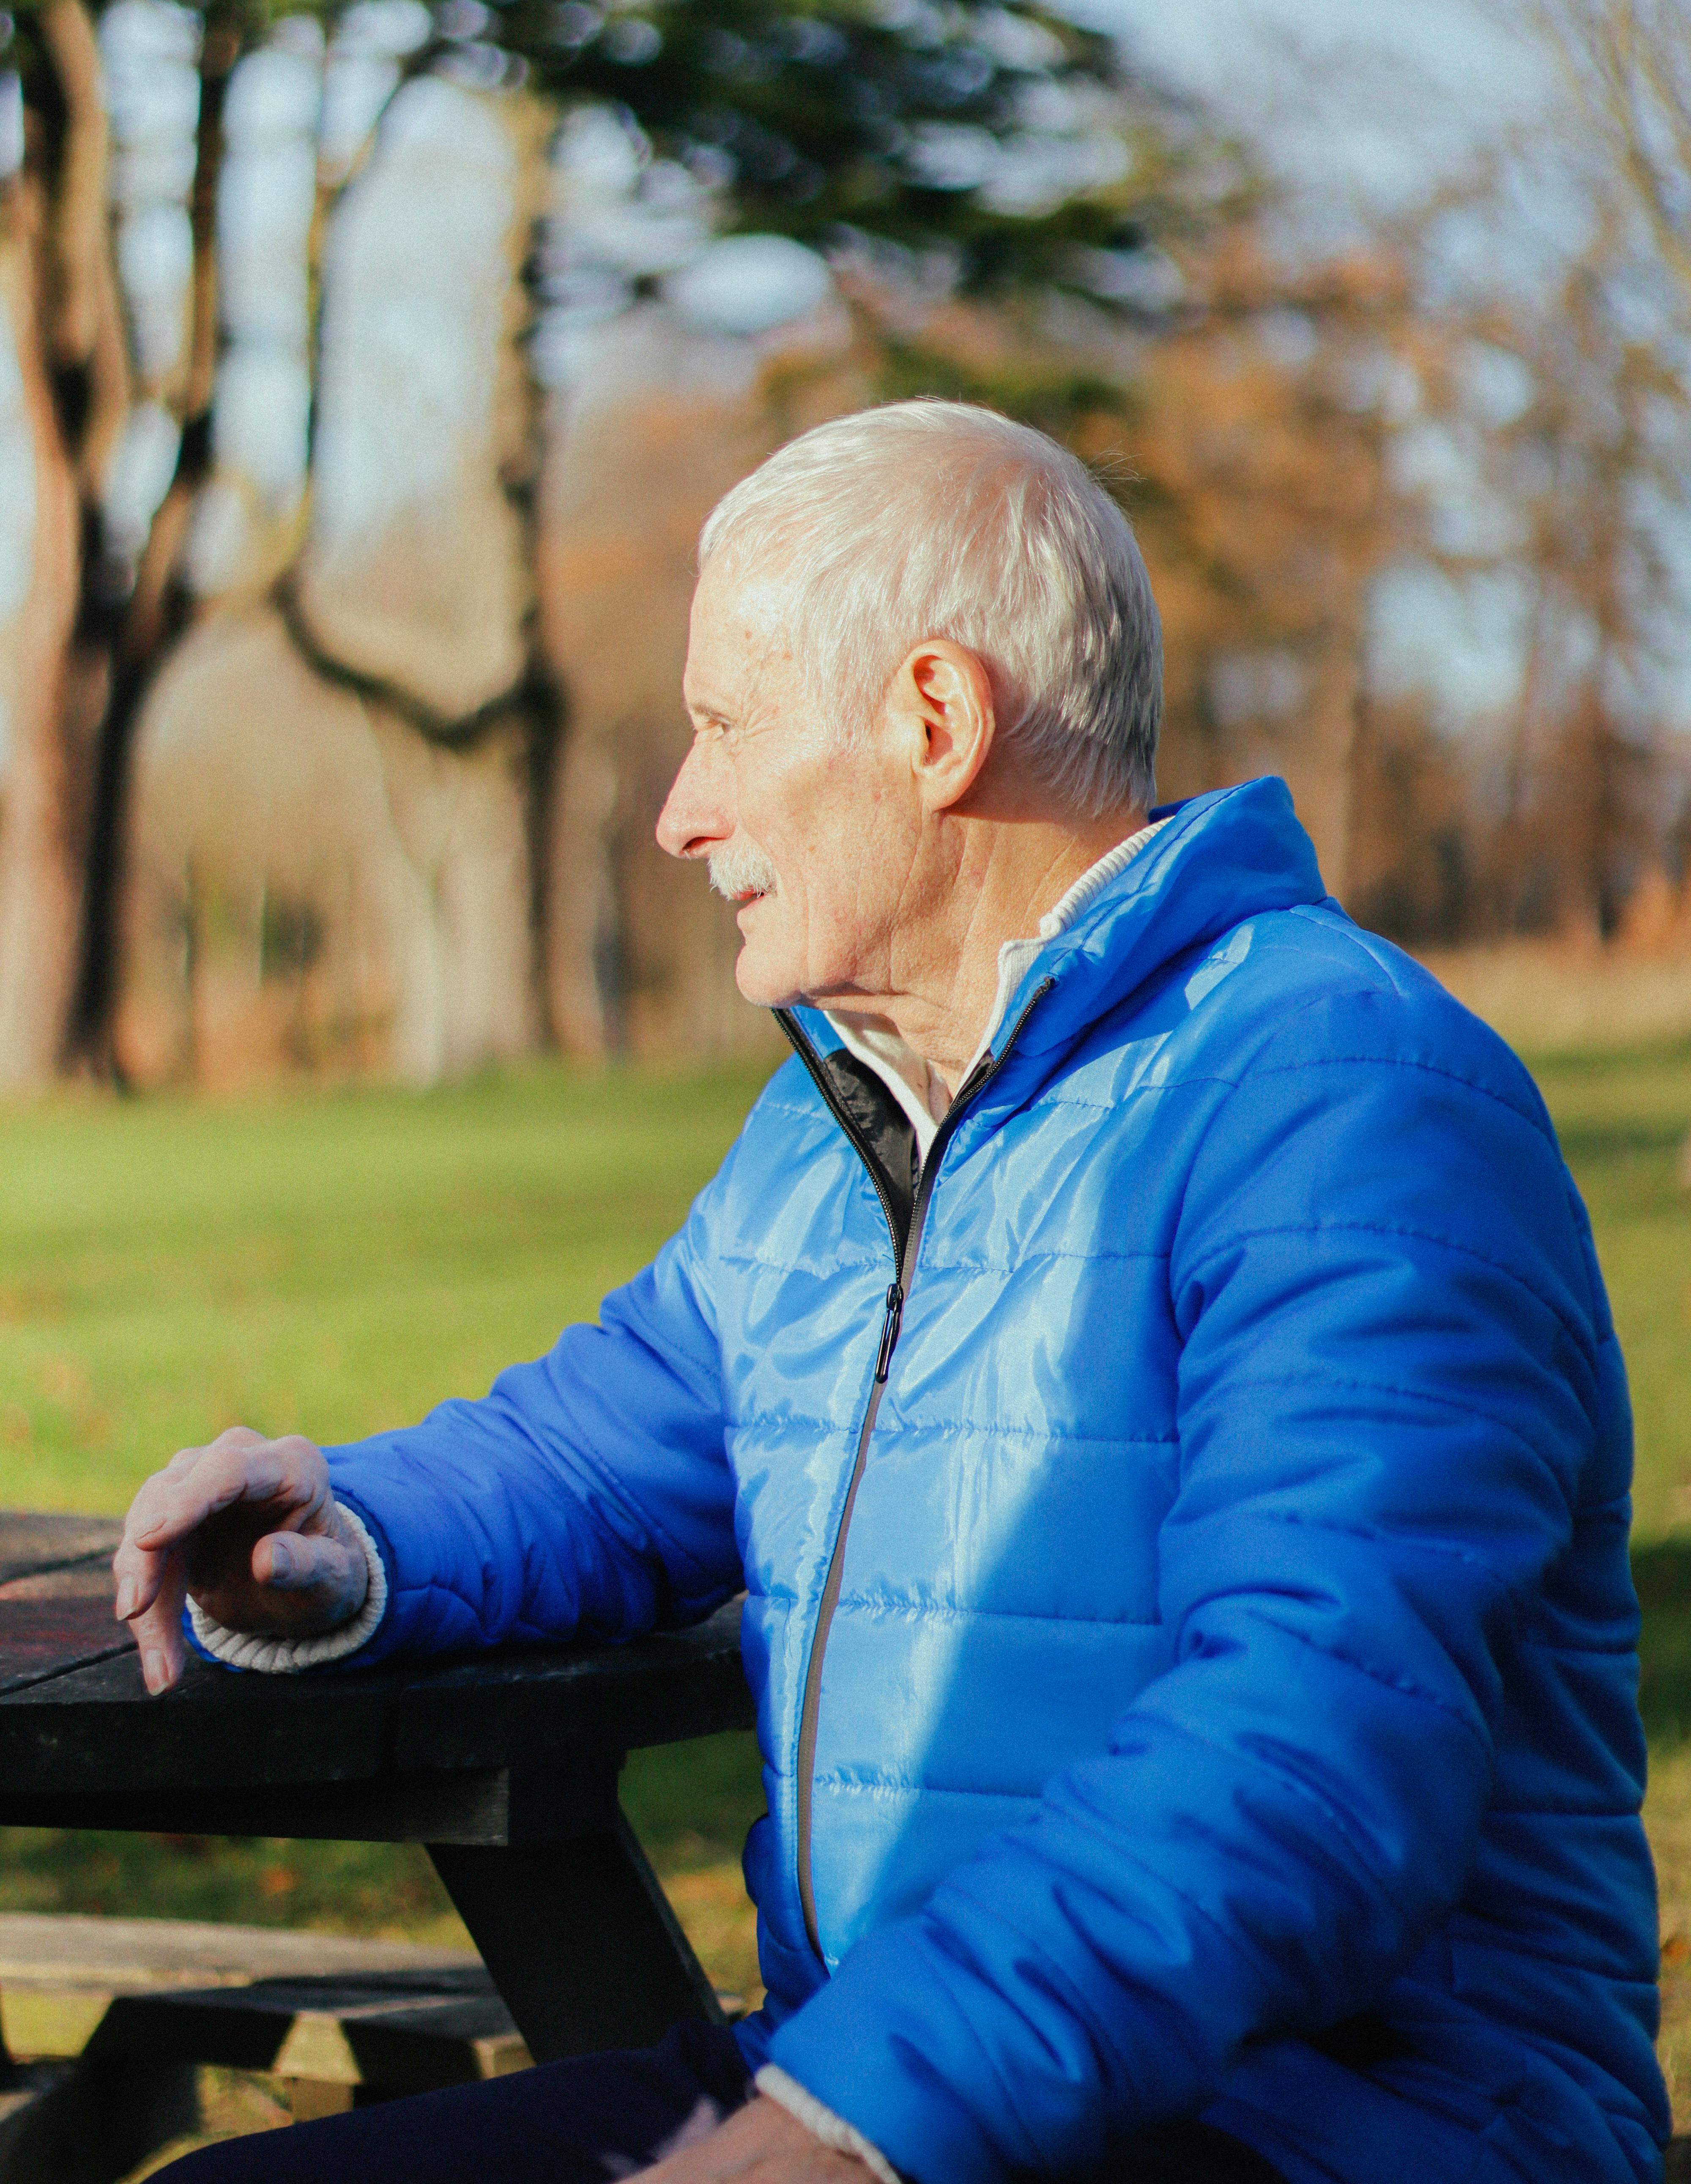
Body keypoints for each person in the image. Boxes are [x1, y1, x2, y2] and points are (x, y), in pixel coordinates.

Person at [114, 402, 1666, 2184]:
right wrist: (344, 1536)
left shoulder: (1345, 1096)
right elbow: (609, 1451)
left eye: (720, 726)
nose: (679, 818)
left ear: (932, 722)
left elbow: (1310, 1754)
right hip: (905, 2063)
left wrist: (853, 2122)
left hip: (1343, 2118)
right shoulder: (837, 1125)